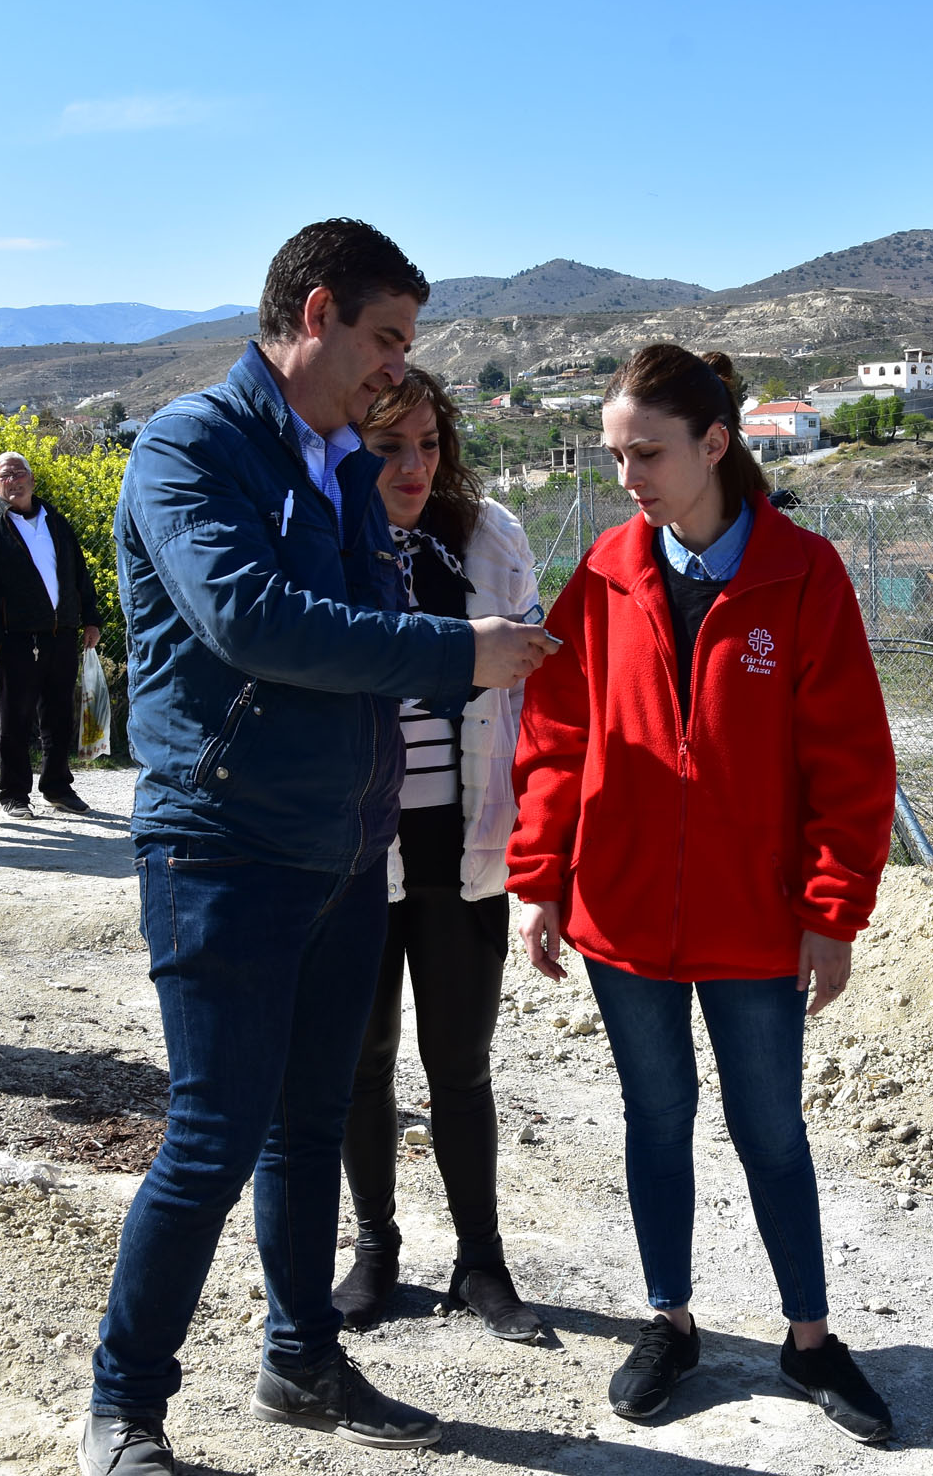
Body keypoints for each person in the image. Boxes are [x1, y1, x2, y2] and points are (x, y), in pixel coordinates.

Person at [81, 219, 557, 1476]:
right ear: (315, 312)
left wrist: (460, 646)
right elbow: (251, 618)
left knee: (307, 1127)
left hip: (348, 848)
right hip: (223, 844)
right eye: (384, 338)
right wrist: (457, 653)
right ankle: (123, 1407)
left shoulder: (339, 462)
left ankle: (301, 1361)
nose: (396, 366)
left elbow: (367, 622)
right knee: (213, 1136)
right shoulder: (190, 448)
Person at [508, 345, 898, 1444]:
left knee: (771, 1128)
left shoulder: (803, 574)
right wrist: (541, 879)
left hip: (755, 921)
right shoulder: (605, 570)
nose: (625, 475)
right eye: (614, 455)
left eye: (646, 453)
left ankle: (809, 1340)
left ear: (714, 445)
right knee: (656, 1117)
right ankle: (668, 1321)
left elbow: (851, 763)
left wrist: (831, 911)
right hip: (623, 915)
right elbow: (557, 735)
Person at [332, 368, 543, 1342]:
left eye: (427, 444)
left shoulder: (490, 537)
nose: (413, 466)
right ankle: (375, 1252)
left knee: (460, 1063)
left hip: (465, 842)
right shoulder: (326, 542)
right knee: (361, 1061)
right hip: (354, 845)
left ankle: (481, 1262)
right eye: (388, 448)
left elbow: (533, 692)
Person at [0, 450, 103, 817]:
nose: (12, 481)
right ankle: (14, 794)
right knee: (15, 720)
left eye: (18, 473)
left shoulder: (56, 521)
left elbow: (79, 573)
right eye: (4, 476)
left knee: (59, 718)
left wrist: (90, 619)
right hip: (16, 640)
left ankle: (58, 787)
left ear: (31, 479)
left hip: (61, 635)